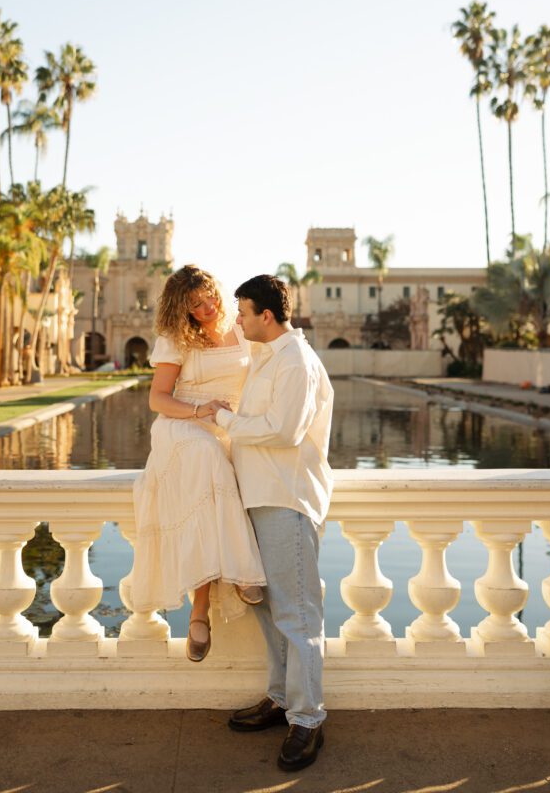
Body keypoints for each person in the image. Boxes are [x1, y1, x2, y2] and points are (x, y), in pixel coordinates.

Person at [205, 274, 333, 773]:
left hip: (286, 500)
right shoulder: (267, 358)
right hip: (257, 500)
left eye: (243, 312)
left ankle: (308, 719)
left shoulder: (297, 361)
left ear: (267, 316)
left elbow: (285, 431)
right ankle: (281, 700)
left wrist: (225, 420)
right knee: (269, 609)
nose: (237, 319)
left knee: (298, 613)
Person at [128, 265, 266, 663]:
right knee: (207, 458)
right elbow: (158, 399)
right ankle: (217, 594)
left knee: (218, 468)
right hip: (182, 427)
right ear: (182, 308)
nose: (207, 308)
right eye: (196, 305)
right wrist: (199, 410)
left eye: (210, 298)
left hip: (227, 427)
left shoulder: (242, 329)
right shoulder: (174, 338)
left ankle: (208, 604)